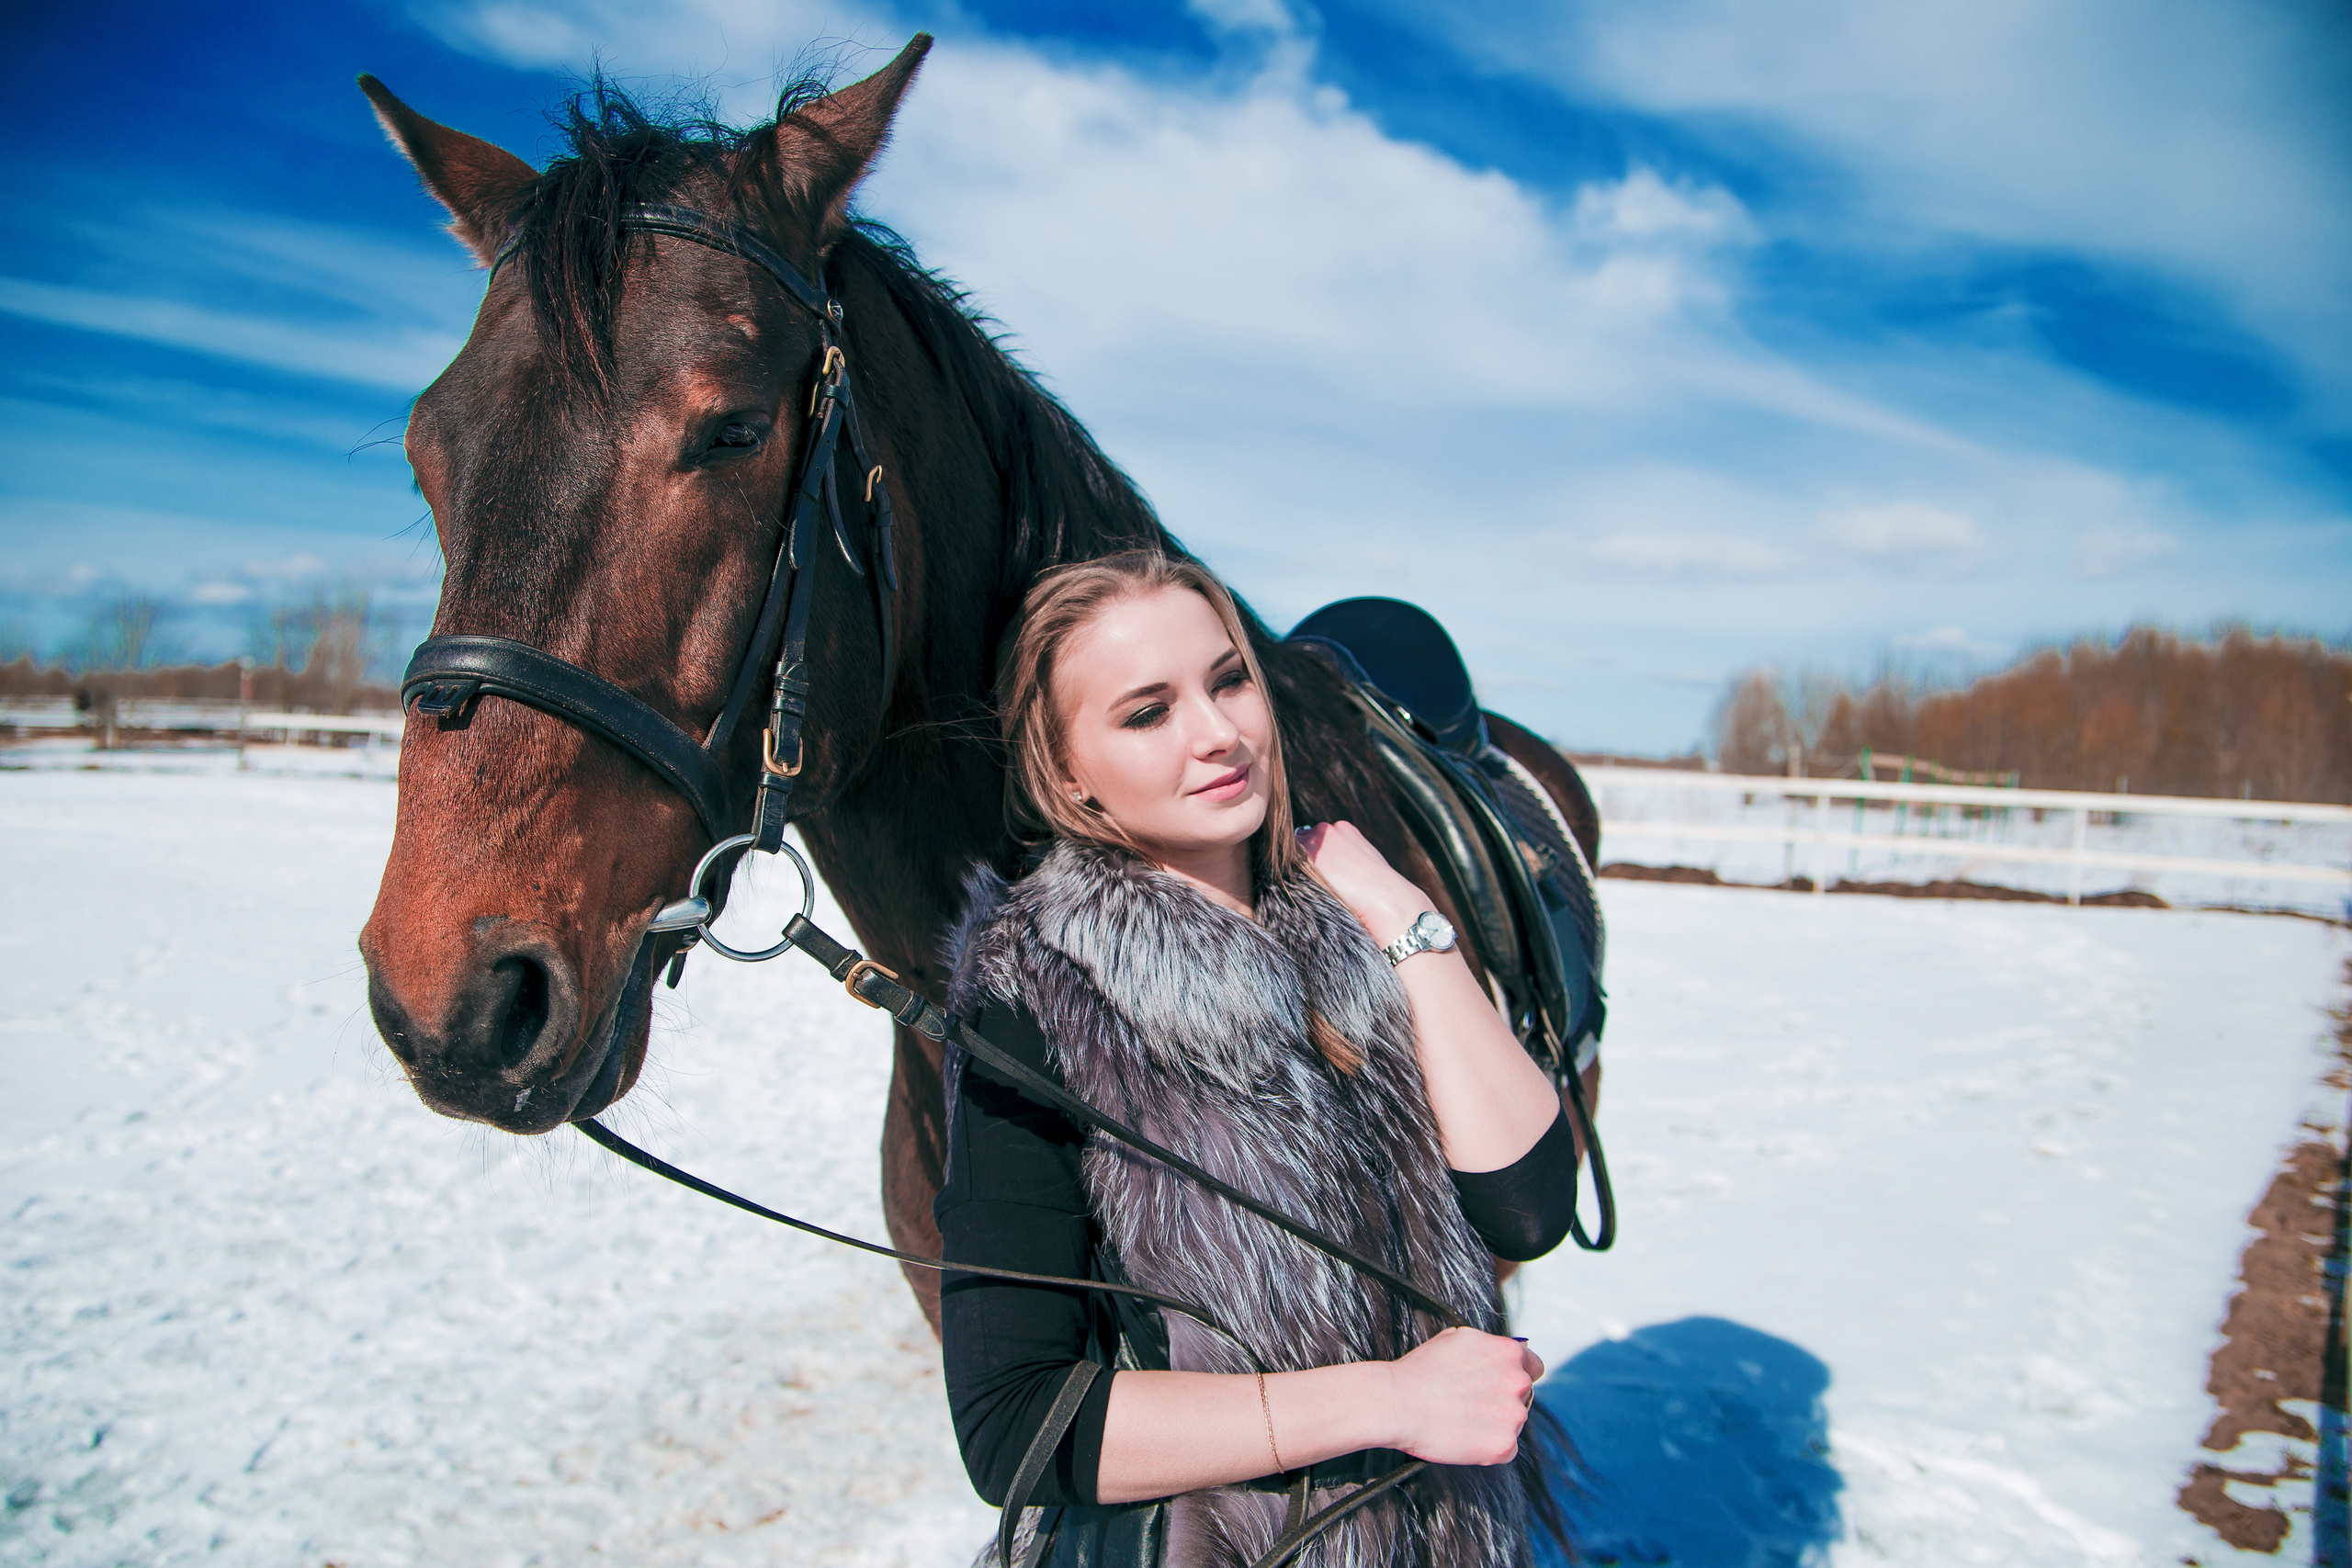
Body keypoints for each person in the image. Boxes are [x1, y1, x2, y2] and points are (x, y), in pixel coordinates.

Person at [936, 551, 1582, 1566]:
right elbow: (1017, 1424)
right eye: (1148, 713)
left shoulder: (1355, 925)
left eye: (1228, 679)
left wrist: (1402, 916)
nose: (1218, 733)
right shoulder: (1034, 995)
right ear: (1066, 774)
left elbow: (1528, 1208)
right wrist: (1389, 1401)